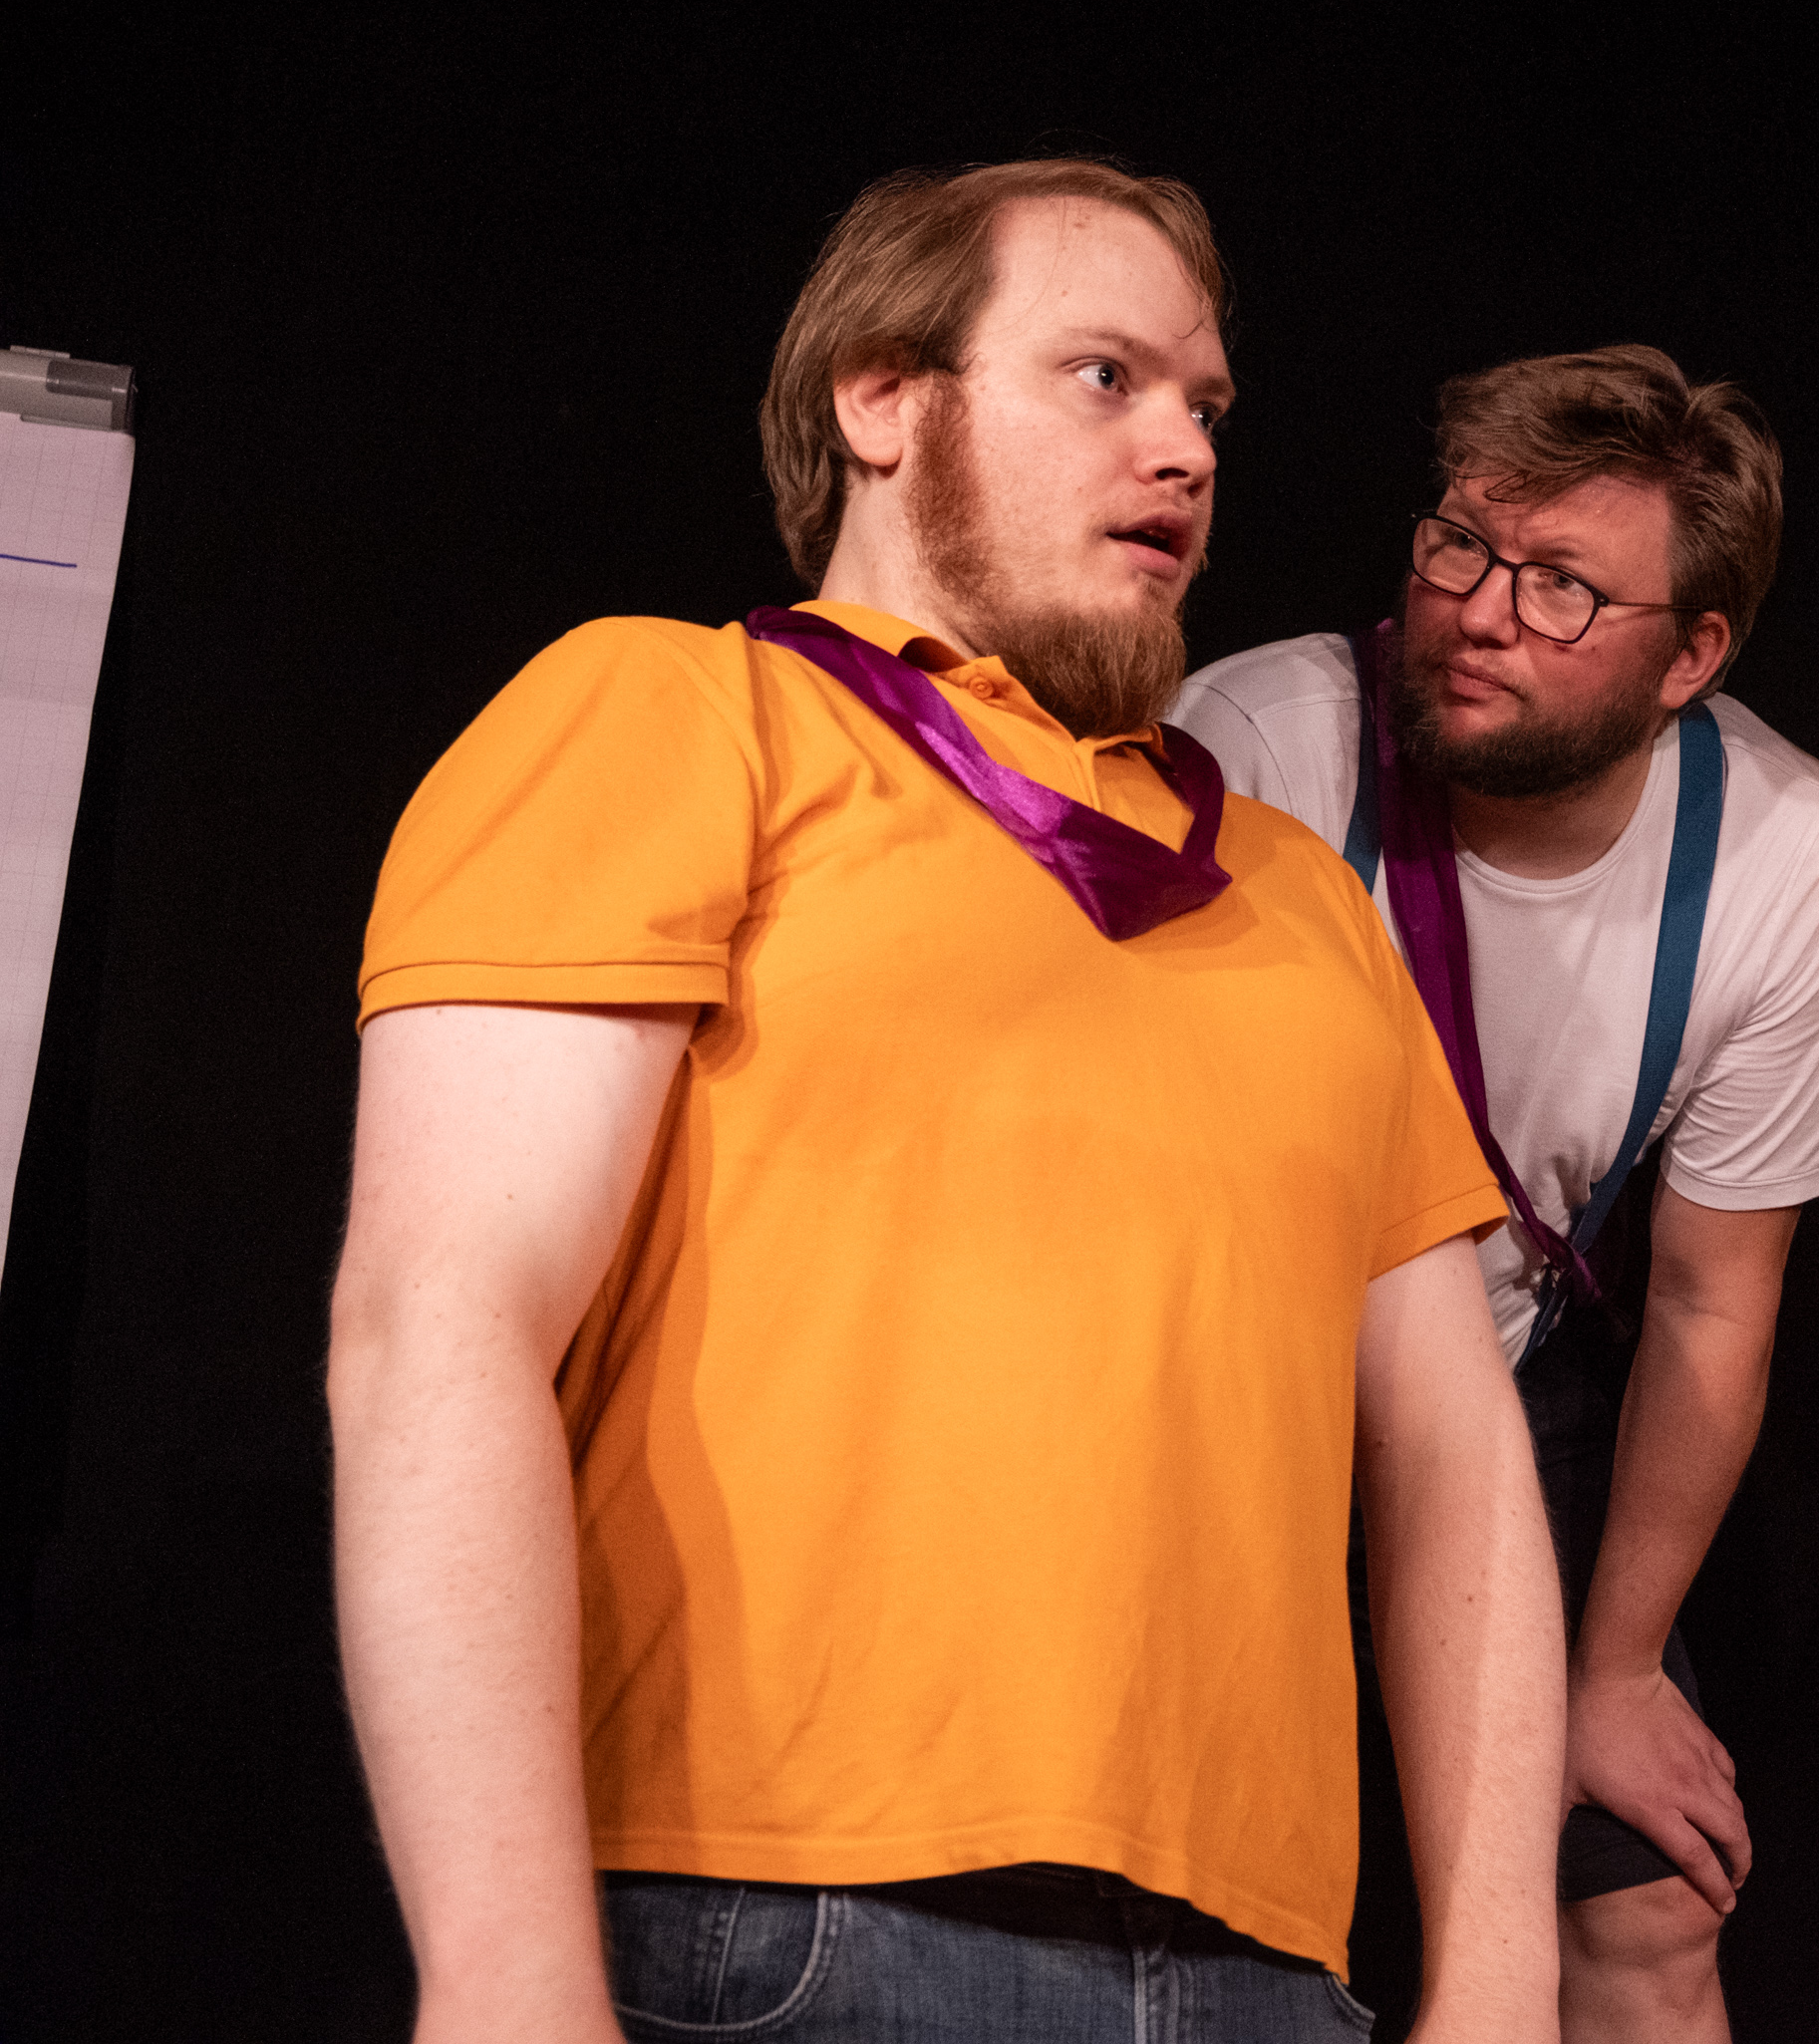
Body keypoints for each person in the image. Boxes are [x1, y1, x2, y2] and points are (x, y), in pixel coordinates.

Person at [328, 157, 1567, 2043]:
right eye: (1106, 377)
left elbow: (1458, 1466)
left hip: (1264, 1979)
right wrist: (506, 1979)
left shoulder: (1306, 900)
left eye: (1207, 406)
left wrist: (1499, 1991)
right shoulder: (682, 714)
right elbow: (442, 1320)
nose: (1184, 449)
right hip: (782, 1929)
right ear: (883, 398)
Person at [1170, 346, 1819, 2042]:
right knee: (1223, 1907)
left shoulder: (1783, 857)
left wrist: (1612, 1668)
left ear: (1691, 655)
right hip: (1222, 1403)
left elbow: (1710, 1303)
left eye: (1562, 585)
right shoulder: (1255, 747)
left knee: (1648, 1909)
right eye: (1460, 546)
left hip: (1501, 1388)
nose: (1481, 613)